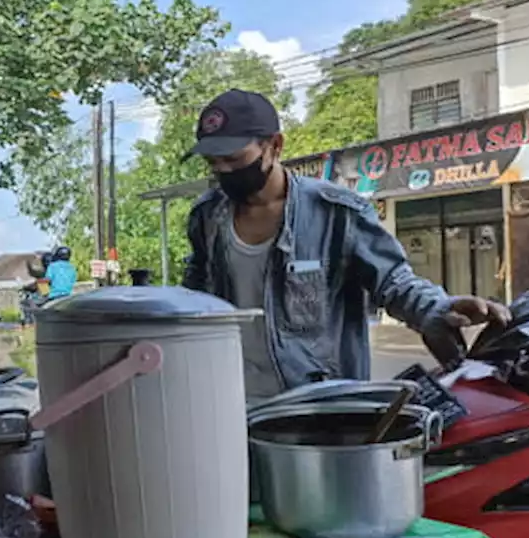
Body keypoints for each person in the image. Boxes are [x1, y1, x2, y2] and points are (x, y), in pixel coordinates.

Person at [181, 89, 510, 406]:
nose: (224, 171)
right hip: (229, 404)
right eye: (213, 163)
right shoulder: (208, 217)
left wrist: (437, 309)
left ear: (274, 146)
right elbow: (194, 299)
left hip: (320, 411)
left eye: (234, 159)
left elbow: (393, 282)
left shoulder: (337, 213)